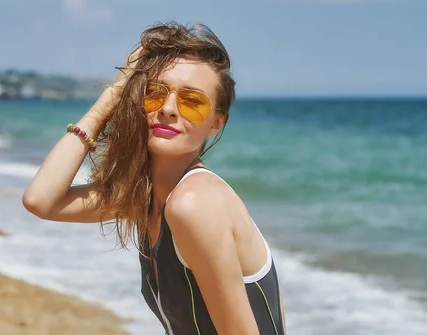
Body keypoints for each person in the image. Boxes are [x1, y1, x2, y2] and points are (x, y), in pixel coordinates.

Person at [22, 22, 287, 335]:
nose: (169, 109)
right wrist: (114, 94)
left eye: (192, 101)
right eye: (155, 93)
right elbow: (42, 201)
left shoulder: (194, 203)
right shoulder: (145, 197)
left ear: (216, 122)